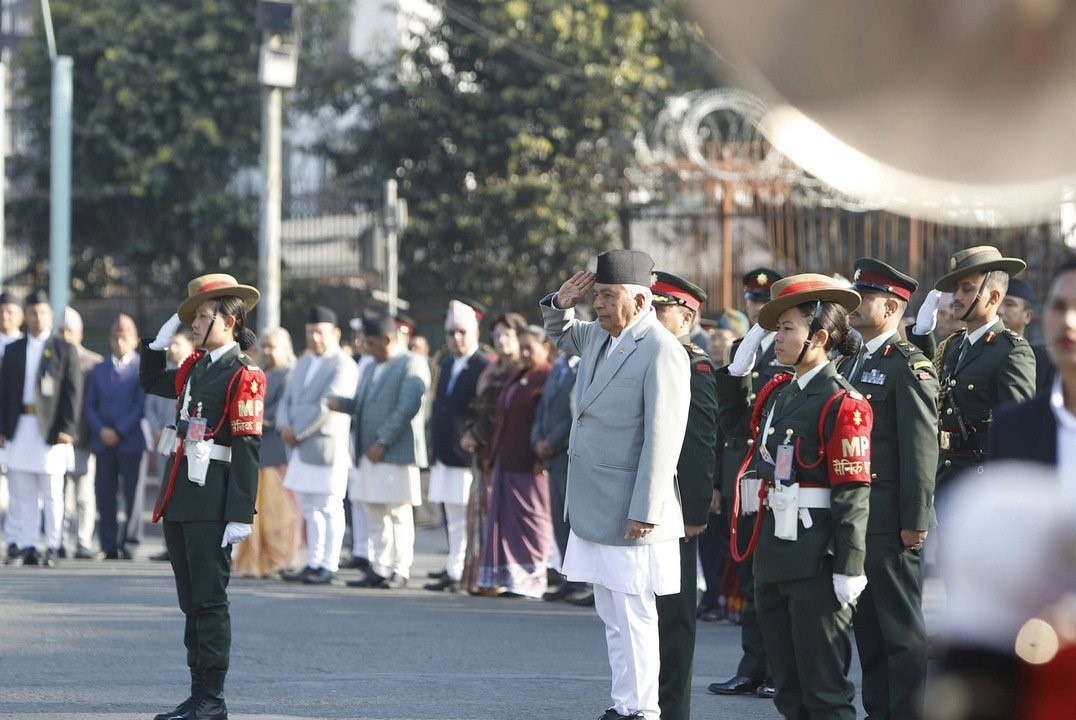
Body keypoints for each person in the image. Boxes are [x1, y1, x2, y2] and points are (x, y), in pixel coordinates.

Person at [715, 273, 873, 720]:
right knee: (788, 691)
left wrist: (849, 566)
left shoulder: (843, 403)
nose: (777, 338)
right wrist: (737, 371)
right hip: (773, 554)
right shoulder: (779, 393)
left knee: (824, 691)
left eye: (787, 328)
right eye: (777, 328)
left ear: (819, 338)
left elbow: (852, 493)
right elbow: (736, 428)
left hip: (815, 561)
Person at [541, 249, 690, 720]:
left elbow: (663, 438)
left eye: (608, 296)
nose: (599, 304)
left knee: (633, 612)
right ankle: (623, 702)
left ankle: (643, 709)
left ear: (640, 301)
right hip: (596, 501)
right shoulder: (600, 337)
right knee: (611, 611)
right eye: (598, 295)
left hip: (629, 505)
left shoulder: (661, 349)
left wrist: (646, 507)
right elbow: (560, 332)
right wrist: (560, 302)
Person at [140, 272, 265, 720]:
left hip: (213, 502)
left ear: (229, 322)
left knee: (209, 601)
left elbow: (248, 448)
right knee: (190, 599)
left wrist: (240, 512)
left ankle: (212, 699)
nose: (193, 324)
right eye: (193, 317)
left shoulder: (244, 375)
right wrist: (155, 345)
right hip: (181, 496)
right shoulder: (195, 367)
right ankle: (198, 694)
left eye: (202, 316)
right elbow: (150, 380)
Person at [844, 259, 940, 720]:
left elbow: (920, 448)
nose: (854, 305)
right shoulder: (853, 360)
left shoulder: (908, 366)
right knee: (868, 629)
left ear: (890, 307)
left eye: (864, 297)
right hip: (859, 517)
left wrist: (915, 520)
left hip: (891, 520)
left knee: (900, 631)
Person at [708, 266, 785, 699]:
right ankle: (752, 666)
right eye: (753, 301)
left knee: (771, 576)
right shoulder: (744, 348)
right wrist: (719, 482)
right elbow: (728, 425)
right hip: (741, 473)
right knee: (748, 574)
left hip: (772, 474)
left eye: (765, 301)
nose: (757, 308)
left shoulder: (793, 349)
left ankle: (776, 668)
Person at [649, 271, 719, 720]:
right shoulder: (647, 354)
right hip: (643, 500)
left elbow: (699, 442)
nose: (651, 316)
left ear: (686, 317)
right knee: (642, 611)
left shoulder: (694, 364)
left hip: (674, 505)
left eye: (661, 309)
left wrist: (694, 511)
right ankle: (641, 703)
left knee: (673, 614)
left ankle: (671, 709)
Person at [333, 311, 429, 589]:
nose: (365, 349)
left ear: (387, 339)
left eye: (370, 343)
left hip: (395, 453)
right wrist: (340, 404)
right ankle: (380, 566)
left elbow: (407, 407)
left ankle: (400, 569)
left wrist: (383, 441)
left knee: (398, 513)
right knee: (374, 511)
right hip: (369, 453)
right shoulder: (371, 366)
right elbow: (362, 404)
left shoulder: (412, 363)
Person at [932, 245, 1036, 495]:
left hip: (981, 485)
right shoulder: (952, 347)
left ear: (994, 297)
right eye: (956, 288)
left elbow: (1018, 434)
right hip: (945, 479)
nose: (956, 296)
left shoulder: (1011, 351)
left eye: (967, 289)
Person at [279, 305, 359, 585]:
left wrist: (298, 432)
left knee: (329, 506)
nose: (314, 338)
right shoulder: (302, 363)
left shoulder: (343, 364)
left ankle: (329, 564)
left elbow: (327, 405)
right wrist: (284, 425)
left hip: (326, 447)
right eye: (310, 332)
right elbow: (287, 400)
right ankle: (314, 562)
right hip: (299, 446)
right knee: (309, 507)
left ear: (335, 333)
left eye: (320, 332)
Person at [0, 289, 81, 568]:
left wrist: (68, 427)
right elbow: (4, 392)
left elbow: (72, 393)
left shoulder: (63, 349)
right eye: (33, 312)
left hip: (50, 429)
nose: (37, 317)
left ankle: (53, 545)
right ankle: (29, 543)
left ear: (50, 315)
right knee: (22, 492)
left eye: (42, 312)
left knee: (52, 492)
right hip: (19, 426)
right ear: (26, 316)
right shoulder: (13, 350)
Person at [474, 324, 553, 598]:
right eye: (523, 347)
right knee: (507, 524)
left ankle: (532, 580)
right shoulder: (518, 374)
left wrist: (541, 454)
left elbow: (546, 418)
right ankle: (510, 578)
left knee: (533, 522)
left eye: (531, 347)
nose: (525, 353)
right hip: (505, 459)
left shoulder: (546, 375)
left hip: (531, 463)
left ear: (546, 347)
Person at [424, 299, 490, 593]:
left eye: (462, 332)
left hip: (467, 455)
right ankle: (454, 566)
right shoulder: (447, 363)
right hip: (445, 452)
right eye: (451, 333)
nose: (456, 339)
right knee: (452, 517)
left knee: (467, 517)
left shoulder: (483, 365)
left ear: (475, 332)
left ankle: (466, 568)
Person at [458, 311, 524, 593]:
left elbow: (501, 415)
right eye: (496, 335)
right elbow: (477, 408)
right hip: (483, 455)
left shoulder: (521, 371)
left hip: (507, 455)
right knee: (480, 516)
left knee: (502, 519)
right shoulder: (492, 369)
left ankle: (501, 579)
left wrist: (476, 434)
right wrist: (470, 433)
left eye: (507, 334)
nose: (501, 340)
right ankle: (480, 578)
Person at [991, 255, 1076, 473]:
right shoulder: (1013, 425)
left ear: (1029, 316)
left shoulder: (1038, 358)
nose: (1067, 321)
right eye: (1058, 306)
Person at [232, 326, 301, 578]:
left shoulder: (290, 375)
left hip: (276, 451)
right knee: (253, 511)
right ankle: (253, 563)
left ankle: (278, 561)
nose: (266, 351)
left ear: (285, 348)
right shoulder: (255, 372)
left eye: (272, 346)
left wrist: (254, 420)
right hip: (254, 450)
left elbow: (282, 409)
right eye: (263, 346)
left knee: (277, 512)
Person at [85, 313, 146, 560]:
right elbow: (89, 405)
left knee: (133, 494)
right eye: (115, 337)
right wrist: (101, 429)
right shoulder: (99, 368)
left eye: (125, 337)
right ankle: (108, 544)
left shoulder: (142, 368)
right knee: (105, 493)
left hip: (131, 440)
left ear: (135, 339)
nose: (120, 342)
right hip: (103, 441)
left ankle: (130, 543)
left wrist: (119, 430)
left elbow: (141, 405)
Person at [144, 329, 196, 563]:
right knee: (164, 492)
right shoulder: (165, 374)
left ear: (190, 345)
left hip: (187, 444)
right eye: (171, 344)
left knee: (184, 492)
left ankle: (186, 545)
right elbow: (149, 405)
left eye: (178, 344)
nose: (172, 348)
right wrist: (156, 429)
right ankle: (169, 545)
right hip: (164, 441)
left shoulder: (195, 373)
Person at [534, 346, 582, 603]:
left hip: (567, 454)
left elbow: (573, 414)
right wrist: (537, 440)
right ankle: (568, 576)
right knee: (558, 521)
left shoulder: (584, 364)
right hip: (551, 458)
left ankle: (581, 580)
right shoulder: (559, 366)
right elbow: (543, 407)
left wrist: (552, 441)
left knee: (573, 520)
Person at [58, 306, 103, 559]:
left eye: (70, 331)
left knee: (85, 494)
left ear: (80, 334)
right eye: (61, 331)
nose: (65, 336)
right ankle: (62, 541)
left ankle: (83, 541)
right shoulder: (51, 358)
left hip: (86, 438)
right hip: (57, 440)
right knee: (62, 495)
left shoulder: (93, 363)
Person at [341, 315, 375, 571]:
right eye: (357, 336)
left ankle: (372, 551)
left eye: (363, 336)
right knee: (356, 495)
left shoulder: (377, 363)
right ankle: (360, 549)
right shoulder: (356, 362)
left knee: (371, 497)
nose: (359, 341)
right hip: (352, 435)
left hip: (372, 438)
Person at [999, 277, 1054, 394]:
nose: (999, 310)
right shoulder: (979, 352)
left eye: (1009, 304)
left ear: (1027, 316)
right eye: (997, 303)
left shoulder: (1044, 361)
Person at [0, 291, 24, 554]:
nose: (5, 316)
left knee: (17, 488)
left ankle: (15, 539)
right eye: (1, 311)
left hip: (16, 428)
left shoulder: (27, 346)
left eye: (10, 312)